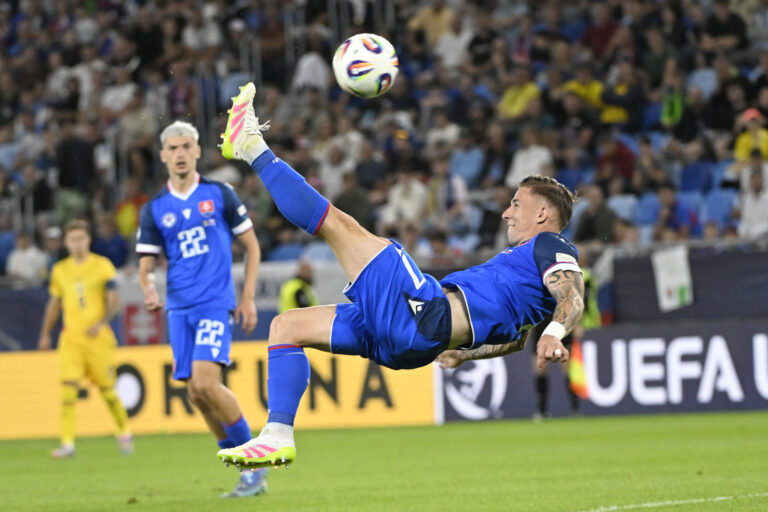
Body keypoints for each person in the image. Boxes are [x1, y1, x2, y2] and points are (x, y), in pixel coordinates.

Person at [216, 83, 585, 469]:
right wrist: (463, 354)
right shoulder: (527, 275)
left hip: (424, 315)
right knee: (286, 327)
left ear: (543, 215)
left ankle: (252, 146)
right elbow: (514, 341)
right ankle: (277, 436)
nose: (507, 213)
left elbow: (573, 295)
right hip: (412, 345)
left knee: (341, 226)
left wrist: (555, 333)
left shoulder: (549, 245)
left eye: (516, 203)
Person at [135, 121, 267, 498]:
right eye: (172, 148)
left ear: (197, 151)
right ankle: (243, 469)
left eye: (186, 146)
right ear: (162, 155)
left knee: (208, 382)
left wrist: (247, 298)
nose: (179, 153)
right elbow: (144, 266)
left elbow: (252, 248)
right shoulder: (154, 209)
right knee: (195, 392)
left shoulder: (220, 194)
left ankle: (255, 464)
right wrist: (147, 289)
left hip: (214, 303)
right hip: (178, 308)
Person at [37, 220, 132, 458]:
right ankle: (68, 444)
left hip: (98, 339)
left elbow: (115, 301)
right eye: (72, 240)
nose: (77, 244)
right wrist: (45, 334)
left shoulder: (102, 266)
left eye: (81, 238)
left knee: (108, 391)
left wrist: (100, 323)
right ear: (66, 243)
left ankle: (124, 431)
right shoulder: (59, 270)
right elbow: (54, 304)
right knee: (68, 390)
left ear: (88, 240)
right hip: (71, 338)